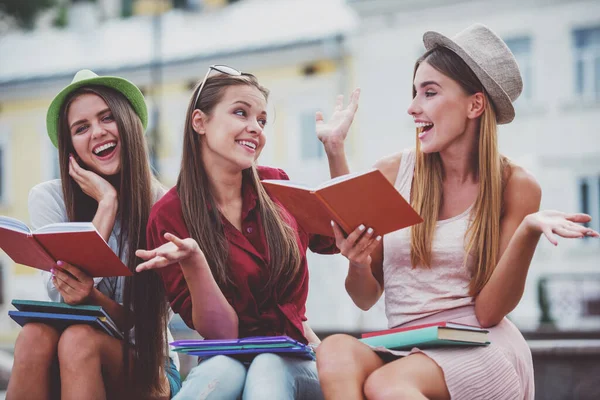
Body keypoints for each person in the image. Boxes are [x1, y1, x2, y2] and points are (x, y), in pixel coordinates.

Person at [314, 24, 599, 400]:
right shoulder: (391, 173)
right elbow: (365, 297)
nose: (413, 107)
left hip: (480, 347)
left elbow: (489, 311)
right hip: (407, 347)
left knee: (388, 384)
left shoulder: (515, 185)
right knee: (334, 351)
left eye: (429, 92)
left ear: (474, 104)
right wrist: (336, 152)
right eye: (415, 92)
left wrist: (529, 231)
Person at [134, 65, 358, 400]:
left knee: (268, 365)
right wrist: (195, 261)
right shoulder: (168, 215)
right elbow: (220, 333)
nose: (255, 128)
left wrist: (335, 148)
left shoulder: (276, 185)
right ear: (200, 122)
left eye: (262, 120)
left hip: (298, 359)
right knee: (219, 371)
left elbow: (346, 232)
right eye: (241, 113)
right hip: (225, 359)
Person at [7, 70, 181, 400]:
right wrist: (106, 207)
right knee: (33, 336)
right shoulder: (49, 198)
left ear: (128, 125)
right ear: (70, 145)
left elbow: (146, 321)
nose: (97, 132)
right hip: (64, 357)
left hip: (148, 366)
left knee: (78, 339)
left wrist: (93, 296)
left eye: (107, 118)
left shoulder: (165, 206)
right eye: (81, 128)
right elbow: (60, 295)